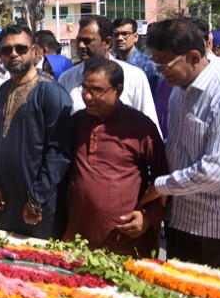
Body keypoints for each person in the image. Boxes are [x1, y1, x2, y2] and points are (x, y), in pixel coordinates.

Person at [139, 18, 220, 268]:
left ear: (192, 56)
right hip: (182, 221)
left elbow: (218, 169)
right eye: (154, 63)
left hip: (218, 231)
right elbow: (178, 146)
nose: (158, 70)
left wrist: (161, 186)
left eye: (164, 63)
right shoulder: (179, 89)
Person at [63, 57, 166, 257]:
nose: (88, 97)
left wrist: (149, 217)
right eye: (84, 88)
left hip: (125, 239)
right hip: (78, 239)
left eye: (97, 90)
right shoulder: (76, 122)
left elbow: (163, 179)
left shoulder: (140, 127)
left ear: (118, 90)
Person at [0, 25, 73, 239]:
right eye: (6, 50)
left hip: (40, 203)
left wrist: (36, 199)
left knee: (39, 264)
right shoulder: (2, 91)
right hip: (8, 200)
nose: (13, 54)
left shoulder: (51, 92)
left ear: (34, 50)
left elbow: (59, 152)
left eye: (20, 48)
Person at [58, 15, 159, 131]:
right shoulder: (66, 79)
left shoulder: (134, 76)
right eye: (79, 40)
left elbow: (150, 127)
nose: (81, 46)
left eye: (87, 41)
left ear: (107, 43)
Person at [112, 18, 159, 92]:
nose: (120, 38)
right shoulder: (111, 66)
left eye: (125, 34)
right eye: (116, 34)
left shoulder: (149, 65)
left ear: (136, 37)